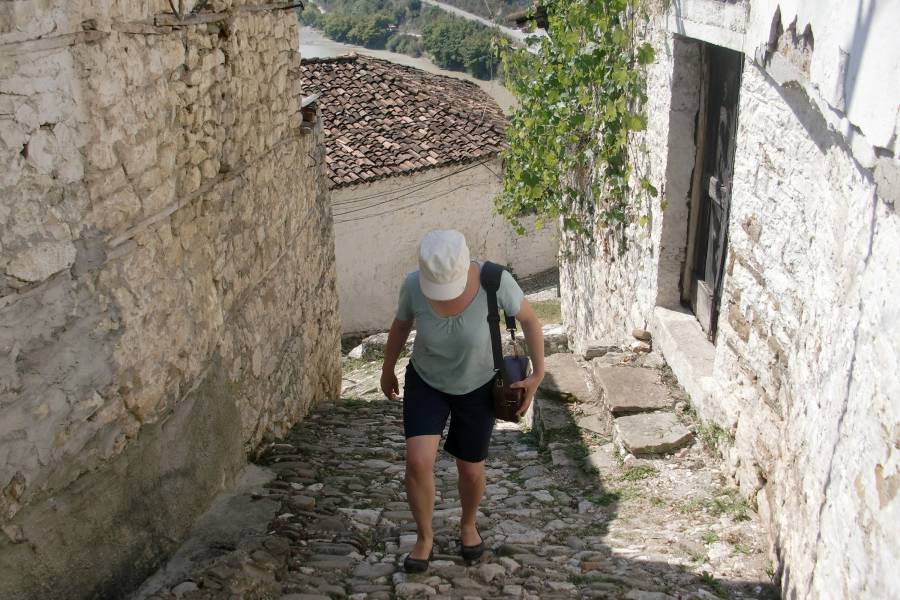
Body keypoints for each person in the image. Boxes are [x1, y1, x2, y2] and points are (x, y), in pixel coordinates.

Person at [380, 229, 545, 573]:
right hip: (427, 381)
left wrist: (538, 374)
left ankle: (468, 524)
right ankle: (424, 538)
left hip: (479, 385)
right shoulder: (414, 286)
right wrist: (387, 369)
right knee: (418, 462)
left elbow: (529, 319)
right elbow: (399, 326)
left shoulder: (495, 281)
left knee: (470, 470)